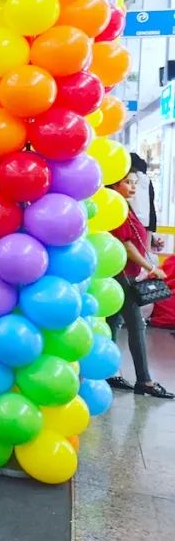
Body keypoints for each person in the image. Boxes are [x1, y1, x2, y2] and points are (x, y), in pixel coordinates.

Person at [106, 168, 173, 399]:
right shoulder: (116, 208)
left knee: (114, 322)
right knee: (136, 324)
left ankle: (110, 372)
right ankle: (144, 380)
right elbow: (125, 245)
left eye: (134, 182)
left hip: (125, 272)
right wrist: (151, 267)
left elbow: (133, 237)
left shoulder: (125, 206)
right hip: (121, 272)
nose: (133, 187)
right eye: (128, 182)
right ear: (114, 185)